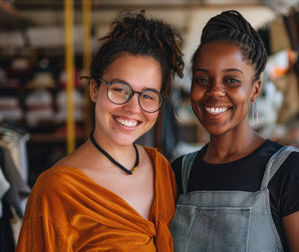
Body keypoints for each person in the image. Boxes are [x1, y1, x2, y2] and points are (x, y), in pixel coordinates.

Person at [16, 11, 184, 251]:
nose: (133, 108)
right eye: (119, 89)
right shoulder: (55, 190)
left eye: (148, 96)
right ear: (94, 89)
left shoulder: (162, 169)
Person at [169, 10, 299, 252]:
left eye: (231, 80)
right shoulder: (179, 173)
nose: (214, 91)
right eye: (202, 79)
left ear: (255, 89)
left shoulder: (287, 170)